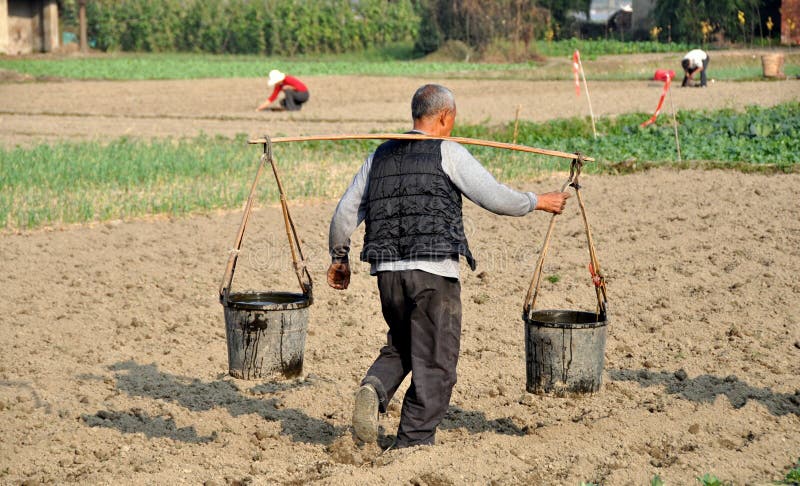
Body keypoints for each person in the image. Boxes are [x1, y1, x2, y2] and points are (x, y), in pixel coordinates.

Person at [326, 84, 570, 449]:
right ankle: (413, 442)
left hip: (388, 275)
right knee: (436, 360)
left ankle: (374, 389)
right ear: (444, 116)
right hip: (433, 275)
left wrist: (339, 258)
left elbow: (344, 214)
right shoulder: (448, 152)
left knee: (405, 344)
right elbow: (494, 196)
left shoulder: (379, 156)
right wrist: (538, 201)